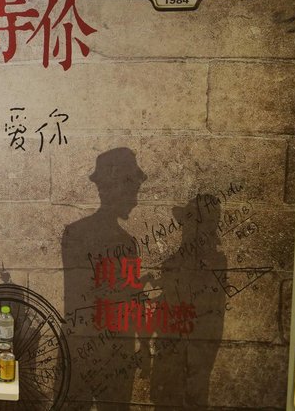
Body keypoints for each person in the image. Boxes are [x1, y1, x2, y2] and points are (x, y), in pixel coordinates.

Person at [61, 147, 147, 407]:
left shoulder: (80, 233)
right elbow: (81, 298)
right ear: (113, 188)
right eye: (131, 190)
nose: (134, 200)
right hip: (98, 347)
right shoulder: (82, 235)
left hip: (96, 346)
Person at [149, 195, 226, 408]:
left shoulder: (217, 263)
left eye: (196, 222)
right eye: (188, 221)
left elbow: (213, 320)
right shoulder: (171, 264)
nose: (189, 228)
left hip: (196, 359)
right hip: (170, 357)